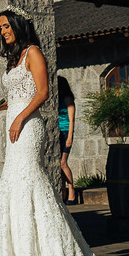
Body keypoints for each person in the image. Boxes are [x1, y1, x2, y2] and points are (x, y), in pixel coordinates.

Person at [0, 7, 115, 256]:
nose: (3, 31)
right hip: (13, 122)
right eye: (0, 28)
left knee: (28, 179)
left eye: (6, 26)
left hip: (28, 126)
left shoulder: (33, 52)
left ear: (17, 25)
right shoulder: (13, 60)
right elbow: (14, 94)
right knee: (12, 180)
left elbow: (43, 92)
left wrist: (20, 118)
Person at [57, 77, 78, 205]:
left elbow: (72, 120)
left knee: (63, 163)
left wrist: (69, 137)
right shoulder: (56, 99)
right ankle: (64, 192)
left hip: (65, 132)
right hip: (57, 132)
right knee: (59, 164)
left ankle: (71, 191)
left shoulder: (68, 99)